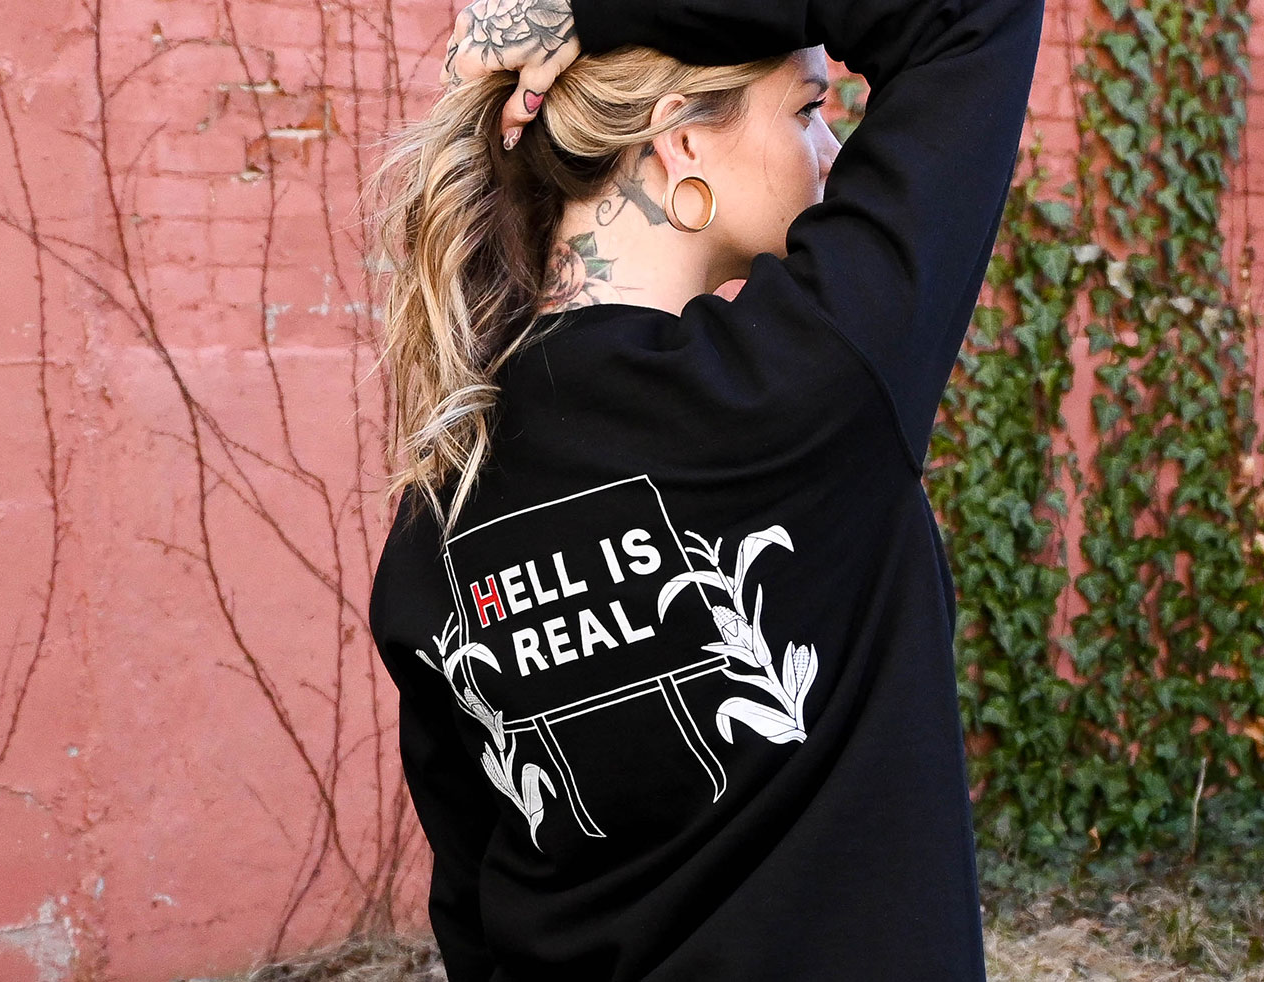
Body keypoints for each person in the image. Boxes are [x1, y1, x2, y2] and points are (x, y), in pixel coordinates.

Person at [365, 0, 1045, 977]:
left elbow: (472, 892)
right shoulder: (804, 385)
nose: (829, 151)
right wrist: (593, 10)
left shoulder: (443, 490)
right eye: (805, 109)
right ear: (681, 139)